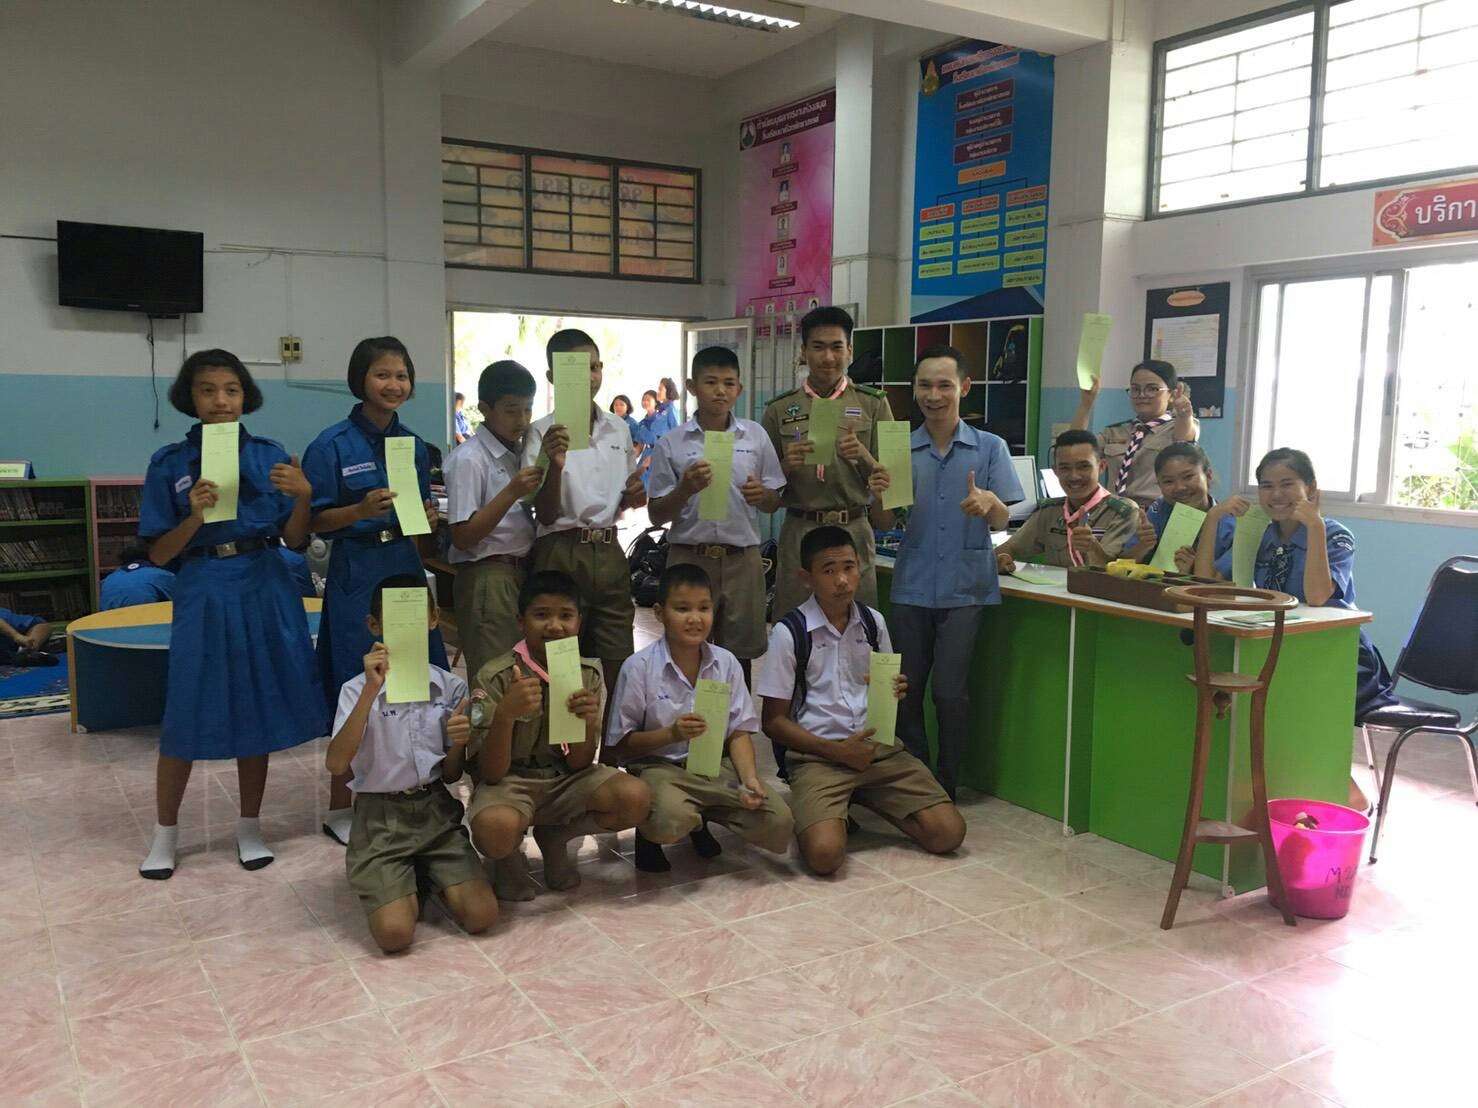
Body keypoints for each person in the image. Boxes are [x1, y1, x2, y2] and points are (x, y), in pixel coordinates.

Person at [136, 349, 324, 879]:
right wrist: (195, 516)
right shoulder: (170, 463)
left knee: (257, 702)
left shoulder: (270, 456)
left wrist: (305, 497)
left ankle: (249, 826)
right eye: (208, 390)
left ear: (245, 396)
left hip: (265, 580)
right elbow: (159, 555)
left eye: (232, 390)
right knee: (187, 703)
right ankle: (165, 834)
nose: (221, 400)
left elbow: (294, 539)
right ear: (190, 398)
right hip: (203, 585)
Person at [302, 336, 448, 847]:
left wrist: (427, 518)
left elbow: (420, 519)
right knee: (358, 679)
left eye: (401, 375)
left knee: (413, 676)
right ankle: (340, 806)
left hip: (403, 565)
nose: (393, 384)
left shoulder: (413, 445)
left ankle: (414, 789)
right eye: (382, 374)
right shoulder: (331, 445)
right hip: (356, 570)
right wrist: (359, 511)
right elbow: (313, 522)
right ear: (360, 380)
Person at [757, 526, 965, 875]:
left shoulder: (873, 622)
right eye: (829, 570)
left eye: (849, 567)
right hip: (819, 756)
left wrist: (893, 691)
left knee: (949, 834)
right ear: (806, 578)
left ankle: (864, 795)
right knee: (825, 856)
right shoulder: (788, 632)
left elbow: (884, 692)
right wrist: (837, 753)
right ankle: (831, 804)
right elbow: (773, 722)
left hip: (877, 749)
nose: (842, 580)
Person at [325, 575, 498, 953]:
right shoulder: (355, 689)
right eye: (395, 620)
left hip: (435, 809)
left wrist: (459, 741)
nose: (408, 628)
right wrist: (371, 691)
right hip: (380, 816)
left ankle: (425, 871)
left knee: (482, 916)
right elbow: (336, 764)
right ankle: (392, 874)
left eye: (417, 617)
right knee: (395, 935)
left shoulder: (449, 687)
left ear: (433, 619)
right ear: (375, 626)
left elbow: (451, 774)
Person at [881, 345, 1023, 800]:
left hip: (966, 587)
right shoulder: (900, 448)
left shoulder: (989, 447)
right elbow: (883, 521)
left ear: (964, 387)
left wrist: (990, 503)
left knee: (949, 691)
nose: (934, 395)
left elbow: (1003, 522)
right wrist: (876, 490)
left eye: (944, 385)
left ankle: (947, 780)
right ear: (914, 390)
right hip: (912, 584)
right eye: (925, 385)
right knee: (907, 689)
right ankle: (918, 776)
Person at [465, 570, 651, 900]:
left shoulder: (586, 674)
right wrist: (506, 715)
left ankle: (556, 837)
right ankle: (507, 859)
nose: (555, 626)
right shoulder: (495, 676)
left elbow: (580, 764)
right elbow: (491, 773)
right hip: (510, 782)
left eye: (566, 616)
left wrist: (586, 722)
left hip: (564, 779)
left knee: (635, 797)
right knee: (494, 829)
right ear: (521, 622)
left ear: (579, 622)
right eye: (541, 615)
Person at [607, 563, 793, 873]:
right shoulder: (639, 667)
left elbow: (739, 732)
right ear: (659, 612)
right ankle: (657, 832)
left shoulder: (726, 663)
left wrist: (749, 779)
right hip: (659, 768)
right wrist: (671, 734)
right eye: (682, 609)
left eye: (703, 608)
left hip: (713, 766)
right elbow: (622, 745)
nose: (695, 618)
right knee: (670, 820)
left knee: (778, 821)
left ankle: (699, 817)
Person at [1195, 447, 1397, 716]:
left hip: (1336, 651)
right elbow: (1206, 584)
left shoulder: (1335, 535)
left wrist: (1315, 526)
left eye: (1287, 484)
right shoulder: (1261, 533)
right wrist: (1213, 518)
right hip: (1278, 644)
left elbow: (1317, 597)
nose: (1276, 494)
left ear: (1310, 489)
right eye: (1266, 486)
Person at [646, 345, 785, 679]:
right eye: (710, 382)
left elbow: (774, 500)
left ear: (739, 388)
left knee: (739, 657)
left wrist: (762, 495)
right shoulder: (672, 442)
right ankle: (684, 712)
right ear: (692, 387)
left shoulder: (755, 436)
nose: (720, 391)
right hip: (689, 557)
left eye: (728, 383)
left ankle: (733, 715)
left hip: (742, 559)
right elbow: (656, 515)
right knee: (685, 650)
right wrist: (684, 489)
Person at [523, 329, 645, 705]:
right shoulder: (540, 432)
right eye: (575, 369)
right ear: (553, 377)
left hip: (608, 550)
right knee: (562, 664)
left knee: (619, 658)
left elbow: (624, 498)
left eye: (594, 366)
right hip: (560, 550)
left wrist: (635, 494)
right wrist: (555, 464)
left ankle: (615, 740)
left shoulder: (618, 428)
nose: (589, 376)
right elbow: (544, 512)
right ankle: (565, 741)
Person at [762, 305, 895, 619]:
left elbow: (895, 488)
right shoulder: (779, 410)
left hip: (854, 531)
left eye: (837, 347)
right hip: (800, 531)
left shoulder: (875, 405)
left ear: (850, 350)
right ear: (803, 352)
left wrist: (864, 458)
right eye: (818, 347)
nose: (828, 357)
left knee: (859, 627)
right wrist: (785, 466)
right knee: (795, 627)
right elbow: (766, 501)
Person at [445, 360, 543, 683]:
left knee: (523, 676)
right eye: (512, 410)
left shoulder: (520, 453)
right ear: (485, 409)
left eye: (528, 409)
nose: (522, 420)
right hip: (488, 576)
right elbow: (462, 536)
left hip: (521, 572)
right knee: (494, 678)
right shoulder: (469, 459)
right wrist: (512, 491)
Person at [995, 429, 1139, 573]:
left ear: (1101, 467)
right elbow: (1010, 547)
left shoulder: (1123, 512)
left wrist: (1093, 548)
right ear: (1055, 471)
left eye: (1083, 466)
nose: (1074, 476)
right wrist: (1002, 558)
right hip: (1055, 587)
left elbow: (1115, 571)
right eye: (1064, 468)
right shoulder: (1049, 511)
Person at [1071, 359, 1198, 510]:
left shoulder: (1177, 427)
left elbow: (1185, 439)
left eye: (1152, 389)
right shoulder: (1115, 431)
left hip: (1157, 513)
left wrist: (1184, 415)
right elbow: (1075, 448)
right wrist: (1086, 405)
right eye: (1135, 389)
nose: (1142, 395)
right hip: (1115, 511)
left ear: (1172, 394)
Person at [1124, 441, 1235, 573]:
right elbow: (1123, 565)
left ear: (1208, 475)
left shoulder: (1230, 527)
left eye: (1188, 477)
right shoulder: (1159, 510)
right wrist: (1142, 546)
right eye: (1168, 481)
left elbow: (1229, 581)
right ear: (1159, 485)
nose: (1179, 487)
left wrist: (1193, 571)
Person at [98, 544, 176, 609]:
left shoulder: (108, 579)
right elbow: (180, 599)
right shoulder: (162, 575)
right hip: (146, 619)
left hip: (111, 620)